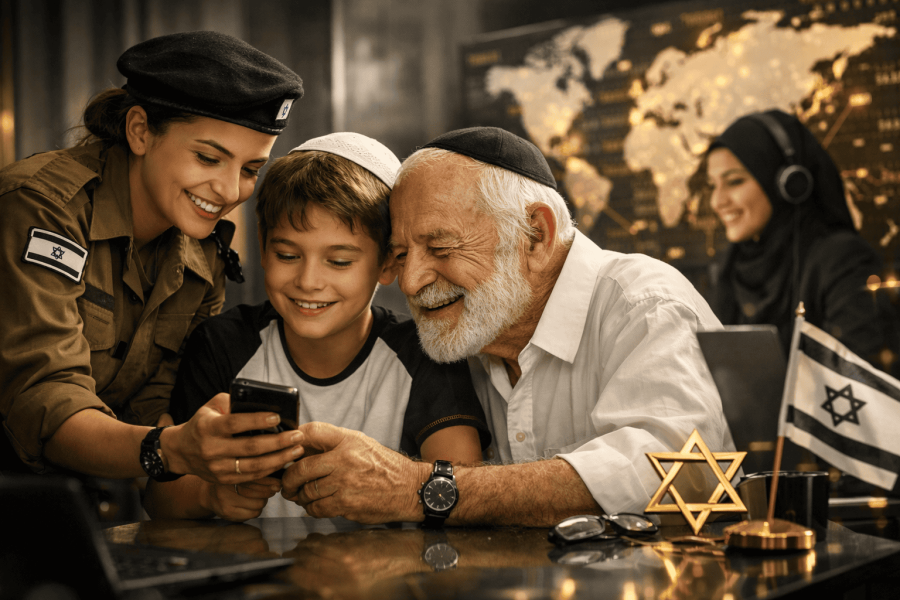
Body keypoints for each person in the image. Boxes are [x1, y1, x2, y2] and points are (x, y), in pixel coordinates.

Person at [278, 126, 735, 527]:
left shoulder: (645, 305)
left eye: (440, 248)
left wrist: (418, 488)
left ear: (535, 234)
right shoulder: (466, 332)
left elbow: (676, 472)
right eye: (400, 255)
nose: (412, 281)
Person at [0, 31, 306, 486]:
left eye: (249, 171)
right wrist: (173, 450)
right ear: (140, 130)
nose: (227, 192)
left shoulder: (204, 253)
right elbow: (43, 399)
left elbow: (156, 407)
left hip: (86, 505)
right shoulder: (42, 209)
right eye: (207, 158)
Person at [144, 132, 491, 521]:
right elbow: (160, 499)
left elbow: (466, 492)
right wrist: (209, 496)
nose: (308, 281)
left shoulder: (424, 354)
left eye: (339, 261)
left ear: (389, 263)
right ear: (262, 247)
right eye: (287, 255)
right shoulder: (223, 344)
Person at [706, 109, 899, 371]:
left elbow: (864, 385)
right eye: (712, 186)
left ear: (788, 183)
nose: (717, 202)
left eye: (734, 181)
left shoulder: (843, 260)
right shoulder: (732, 267)